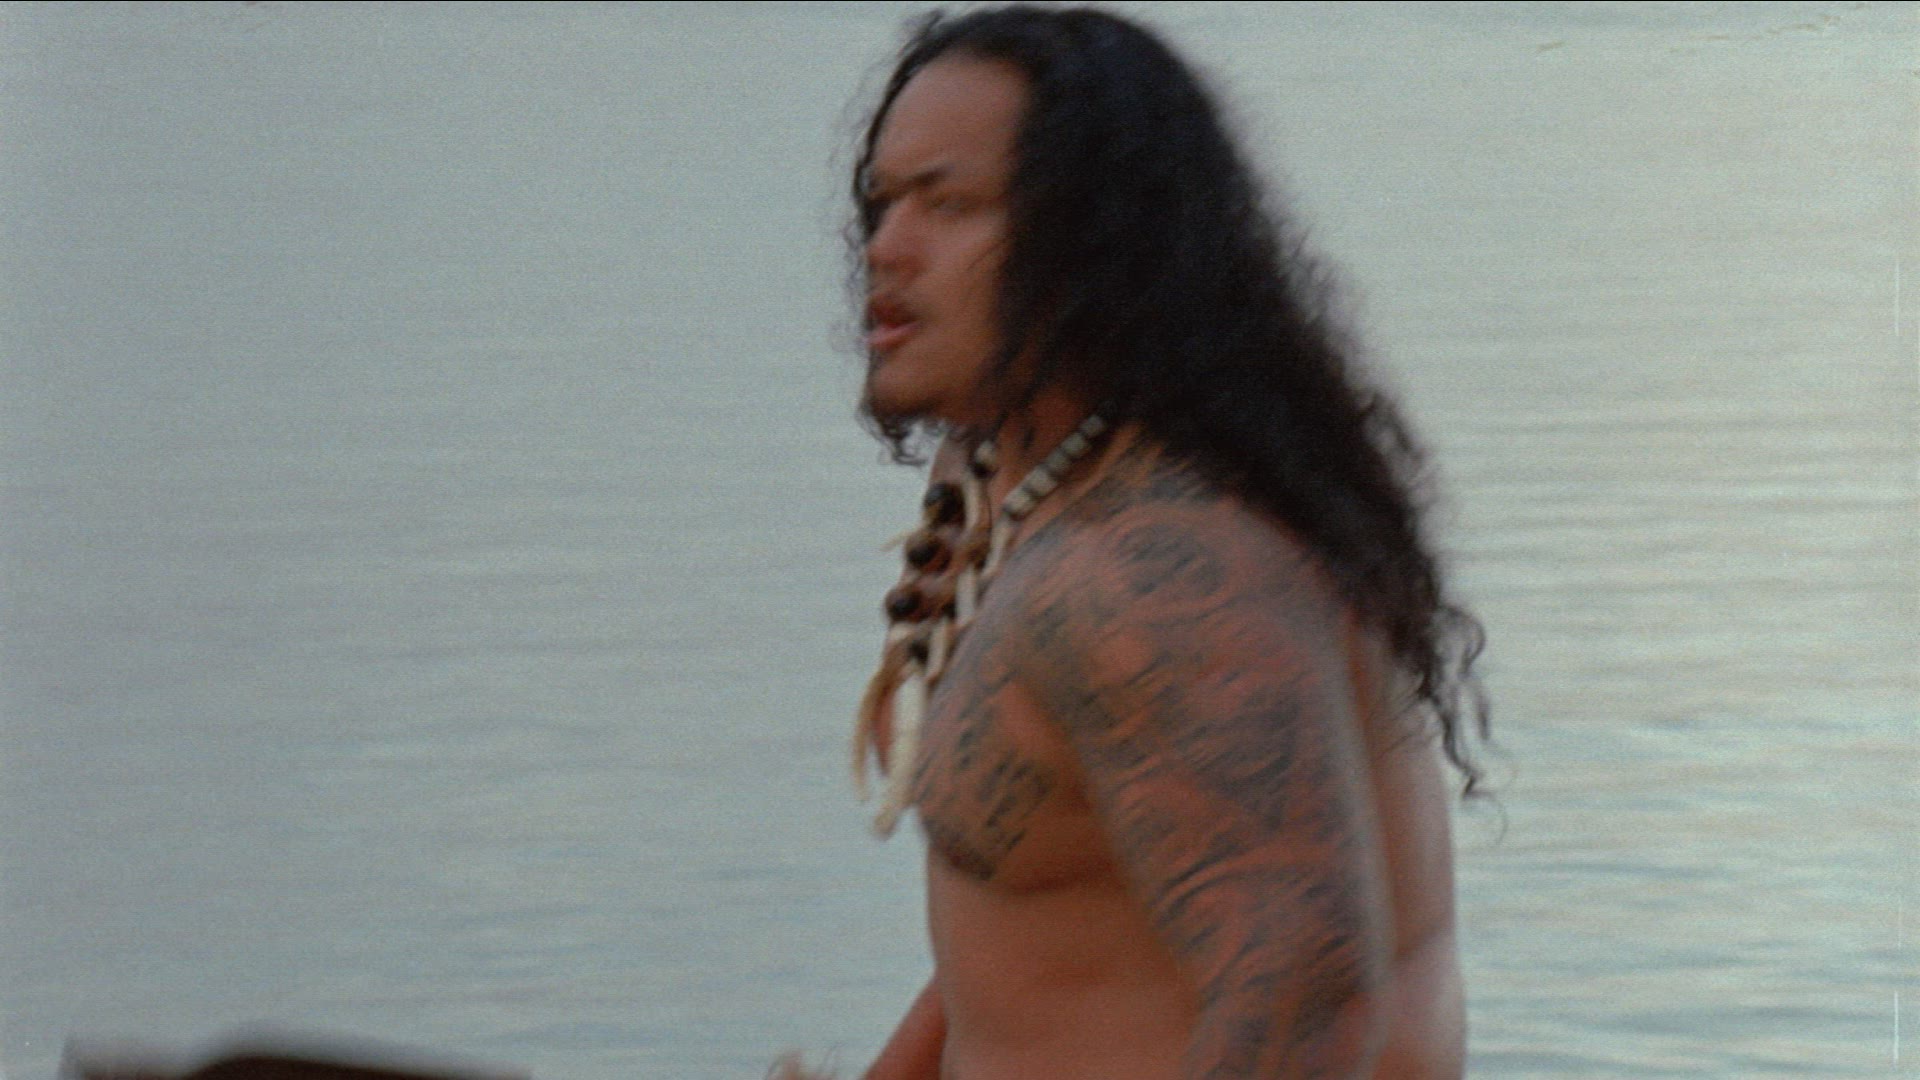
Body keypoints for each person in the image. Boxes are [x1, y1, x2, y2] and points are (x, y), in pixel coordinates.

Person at [786, 7, 1490, 1078]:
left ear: (1095, 238)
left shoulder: (1155, 578)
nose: (887, 245)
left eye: (949, 203)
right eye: (882, 202)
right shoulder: (1001, 474)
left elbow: (1309, 1008)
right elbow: (1034, 933)